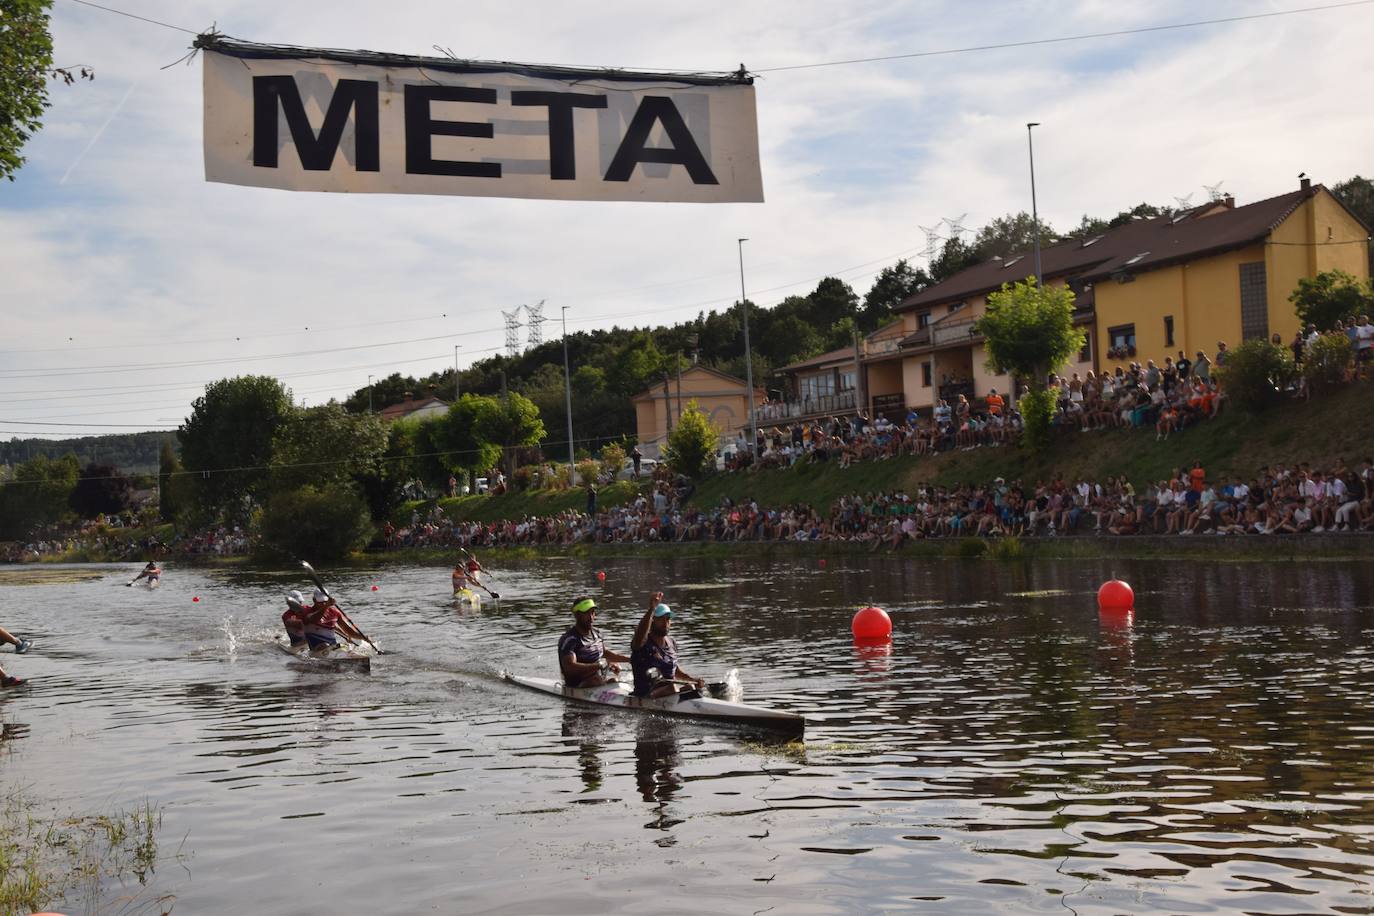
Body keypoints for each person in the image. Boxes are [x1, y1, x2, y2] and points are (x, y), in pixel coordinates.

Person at [630, 592, 704, 699]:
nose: (665, 623)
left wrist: (693, 680)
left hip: (668, 693)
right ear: (652, 621)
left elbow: (675, 670)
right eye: (661, 619)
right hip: (645, 696)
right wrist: (652, 609)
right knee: (673, 688)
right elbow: (640, 633)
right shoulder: (642, 643)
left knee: (691, 686)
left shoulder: (671, 642)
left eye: (668, 619)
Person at [559, 597, 629, 688]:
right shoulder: (570, 640)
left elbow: (604, 653)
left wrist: (631, 660)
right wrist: (598, 666)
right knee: (597, 681)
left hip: (598, 680)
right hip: (578, 686)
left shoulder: (597, 634)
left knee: (615, 680)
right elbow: (570, 668)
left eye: (592, 612)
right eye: (586, 613)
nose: (591, 617)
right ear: (577, 615)